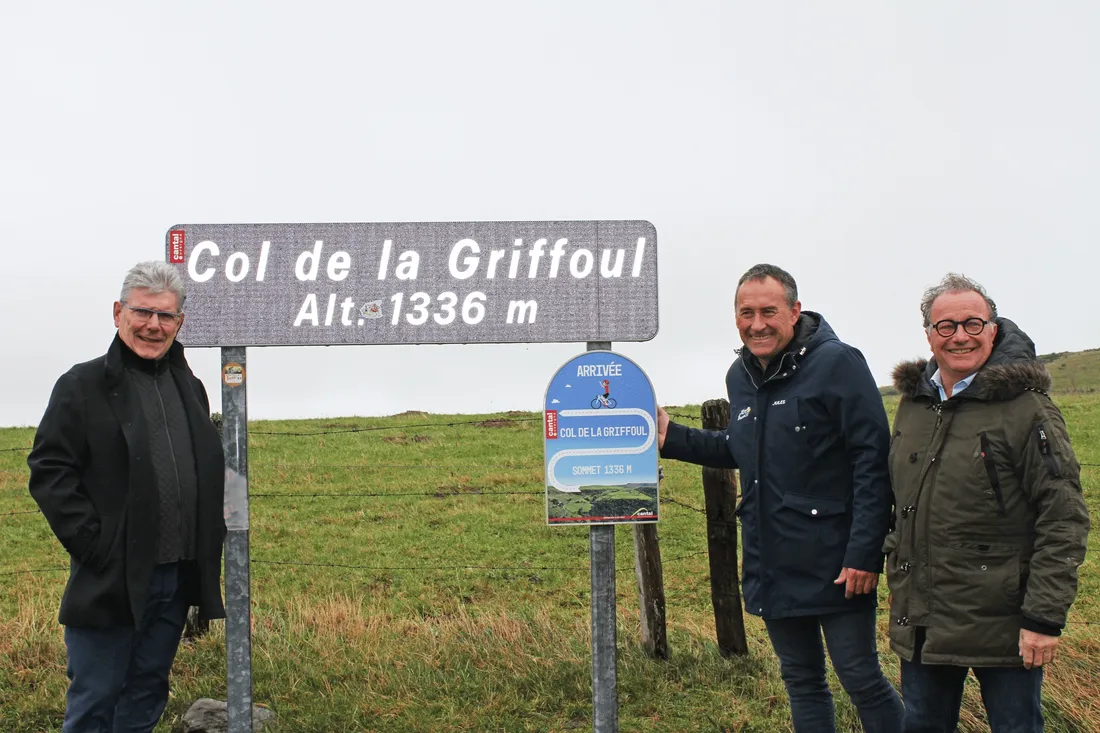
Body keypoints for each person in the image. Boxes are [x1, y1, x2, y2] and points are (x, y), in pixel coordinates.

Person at [657, 264, 902, 732]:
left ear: (795, 311)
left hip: (838, 562)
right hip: (772, 558)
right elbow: (740, 448)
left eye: (769, 311)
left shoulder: (837, 363)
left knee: (860, 678)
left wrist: (865, 553)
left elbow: (872, 461)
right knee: (802, 680)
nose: (757, 323)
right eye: (746, 313)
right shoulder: (740, 375)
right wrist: (672, 437)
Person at [28, 261, 227, 733]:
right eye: (143, 312)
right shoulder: (83, 385)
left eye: (166, 317)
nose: (153, 326)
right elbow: (50, 470)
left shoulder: (191, 388)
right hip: (111, 579)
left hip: (176, 578)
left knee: (146, 691)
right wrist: (96, 546)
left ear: (180, 324)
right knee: (96, 700)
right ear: (118, 312)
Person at [886, 273, 1089, 733]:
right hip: (923, 617)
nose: (960, 336)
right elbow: (897, 501)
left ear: (993, 330)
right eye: (946, 326)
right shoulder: (915, 404)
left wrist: (1043, 617)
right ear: (929, 335)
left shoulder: (1027, 408)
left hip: (1006, 621)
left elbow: (1064, 516)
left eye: (973, 324)